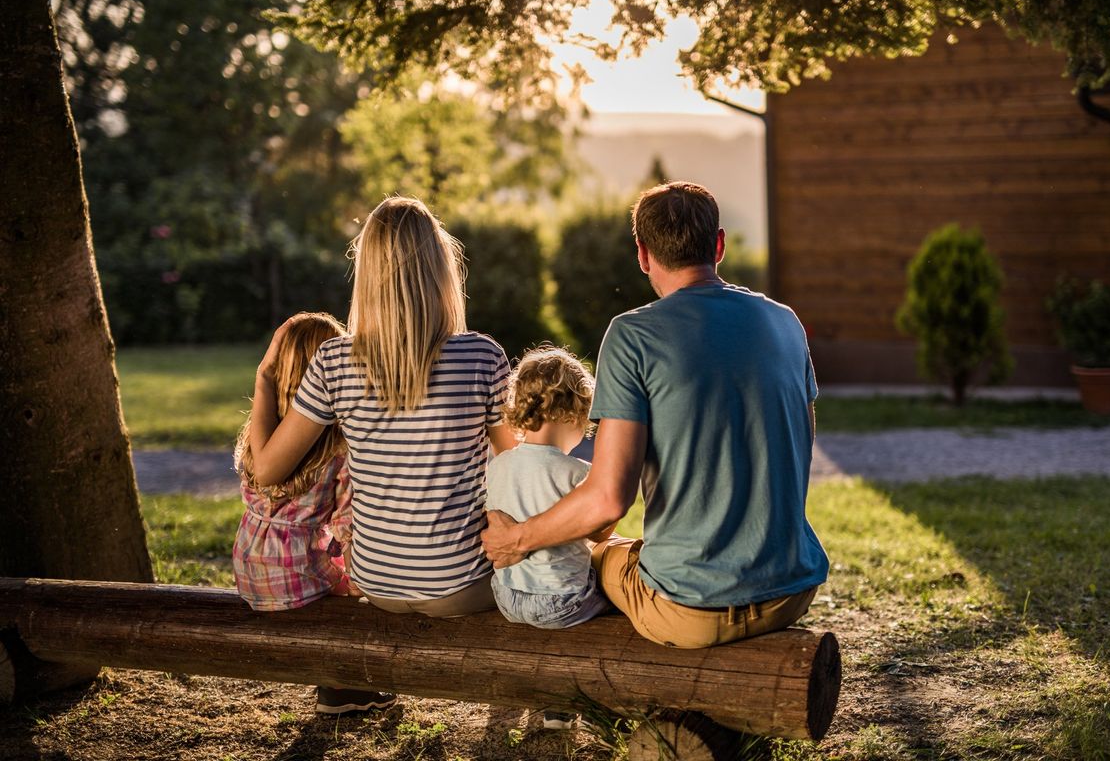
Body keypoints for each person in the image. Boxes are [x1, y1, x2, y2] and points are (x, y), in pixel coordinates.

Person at [483, 181, 828, 650]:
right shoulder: (786, 322)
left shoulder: (632, 336)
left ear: (643, 255)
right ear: (719, 245)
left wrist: (518, 539)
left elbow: (607, 500)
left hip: (690, 610)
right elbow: (800, 451)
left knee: (599, 552)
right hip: (791, 590)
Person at [247, 196, 515, 698]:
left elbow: (266, 470)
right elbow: (522, 466)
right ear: (440, 270)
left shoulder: (332, 361)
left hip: (377, 581)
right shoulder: (481, 355)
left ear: (367, 273)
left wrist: (265, 380)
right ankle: (552, 700)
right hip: (462, 584)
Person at [233, 311, 392, 714]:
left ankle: (339, 686)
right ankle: (343, 686)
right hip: (295, 579)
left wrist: (263, 374)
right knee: (362, 589)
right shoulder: (340, 450)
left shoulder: (260, 438)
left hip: (250, 572)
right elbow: (348, 528)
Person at [486, 346, 612, 630]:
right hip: (560, 601)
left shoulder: (498, 465)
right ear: (571, 415)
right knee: (616, 588)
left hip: (506, 596)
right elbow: (600, 532)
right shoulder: (578, 472)